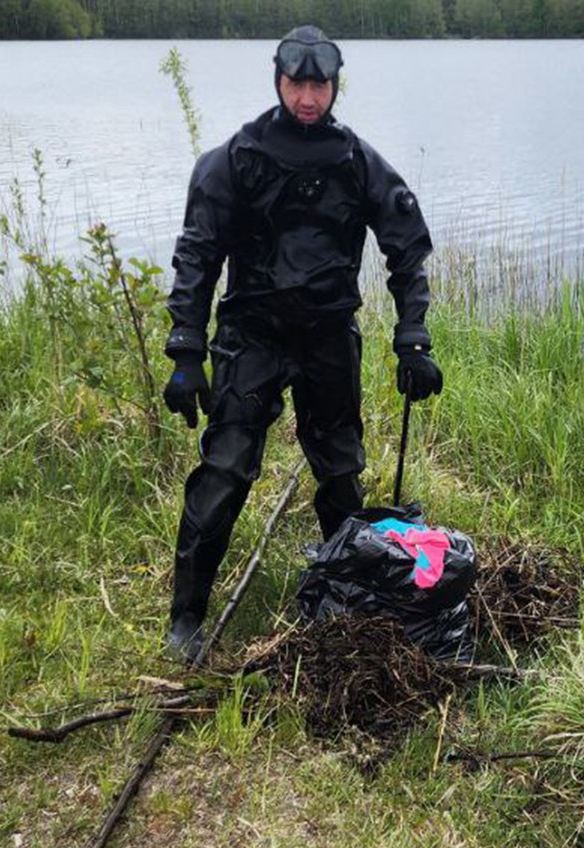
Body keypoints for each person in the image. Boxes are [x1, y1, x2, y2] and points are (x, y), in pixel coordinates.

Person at [161, 25, 443, 662]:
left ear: (334, 86)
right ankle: (186, 618)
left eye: (320, 84)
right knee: (226, 469)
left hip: (327, 335)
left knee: (341, 474)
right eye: (298, 83)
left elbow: (407, 249)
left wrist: (413, 339)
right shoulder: (236, 158)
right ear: (278, 81)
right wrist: (186, 350)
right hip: (250, 334)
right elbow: (197, 256)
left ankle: (342, 601)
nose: (309, 97)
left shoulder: (358, 161)